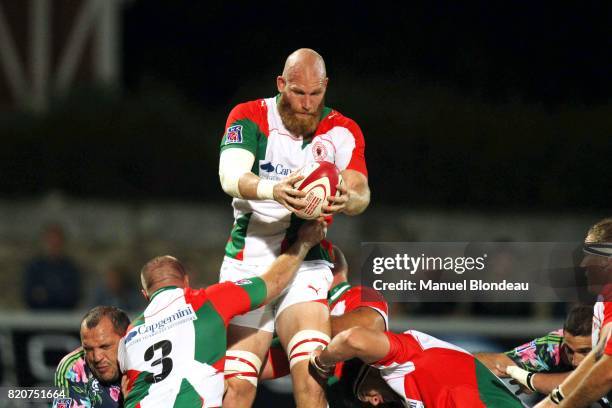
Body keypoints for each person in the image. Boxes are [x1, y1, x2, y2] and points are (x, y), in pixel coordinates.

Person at [217, 48, 370, 407]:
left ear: (326, 86)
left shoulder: (342, 130)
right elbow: (229, 175)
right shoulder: (250, 115)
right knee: (237, 387)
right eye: (298, 92)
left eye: (315, 94)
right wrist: (275, 190)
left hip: (307, 260)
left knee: (311, 375)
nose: (307, 103)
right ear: (281, 84)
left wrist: (346, 197)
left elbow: (362, 192)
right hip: (248, 261)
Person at [118, 220, 326, 408]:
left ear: (145, 294)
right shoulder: (208, 301)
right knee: (236, 379)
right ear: (187, 281)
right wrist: (304, 244)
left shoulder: (130, 334)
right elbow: (274, 282)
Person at [258, 246, 388, 407]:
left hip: (357, 399)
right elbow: (256, 366)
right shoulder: (285, 317)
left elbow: (369, 325)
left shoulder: (357, 295)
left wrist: (297, 326)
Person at [310, 326, 524, 407]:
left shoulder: (404, 354)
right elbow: (496, 364)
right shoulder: (420, 376)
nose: (375, 402)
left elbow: (353, 339)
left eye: (366, 392)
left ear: (370, 366)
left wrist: (321, 361)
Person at [535, 218, 612, 408]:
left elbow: (607, 372)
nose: (584, 264)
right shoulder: (605, 299)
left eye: (591, 255)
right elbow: (597, 358)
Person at [475, 304, 593, 395]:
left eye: (585, 351)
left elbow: (582, 381)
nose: (575, 361)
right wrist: (457, 359)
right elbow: (498, 365)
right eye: (569, 351)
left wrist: (532, 380)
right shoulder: (553, 346)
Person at [54, 306, 130, 408]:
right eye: (88, 349)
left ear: (126, 339)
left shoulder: (149, 360)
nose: (97, 358)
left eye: (105, 346)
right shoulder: (72, 368)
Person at [23, 223, 82, 309]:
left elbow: (72, 296)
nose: (53, 246)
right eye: (51, 242)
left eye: (57, 242)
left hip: (64, 317)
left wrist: (46, 294)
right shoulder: (34, 267)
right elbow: (29, 295)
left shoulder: (70, 269)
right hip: (38, 317)